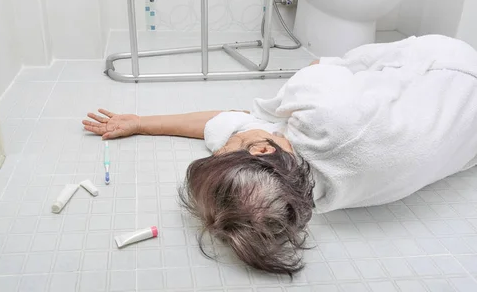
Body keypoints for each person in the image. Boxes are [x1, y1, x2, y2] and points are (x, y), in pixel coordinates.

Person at [82, 35, 477, 275]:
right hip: (449, 66)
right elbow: (314, 71)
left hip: (465, 132)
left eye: (224, 148)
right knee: (327, 65)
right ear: (264, 149)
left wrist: (142, 123)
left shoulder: (296, 195)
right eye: (226, 148)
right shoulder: (324, 120)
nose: (222, 142)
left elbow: (231, 122)